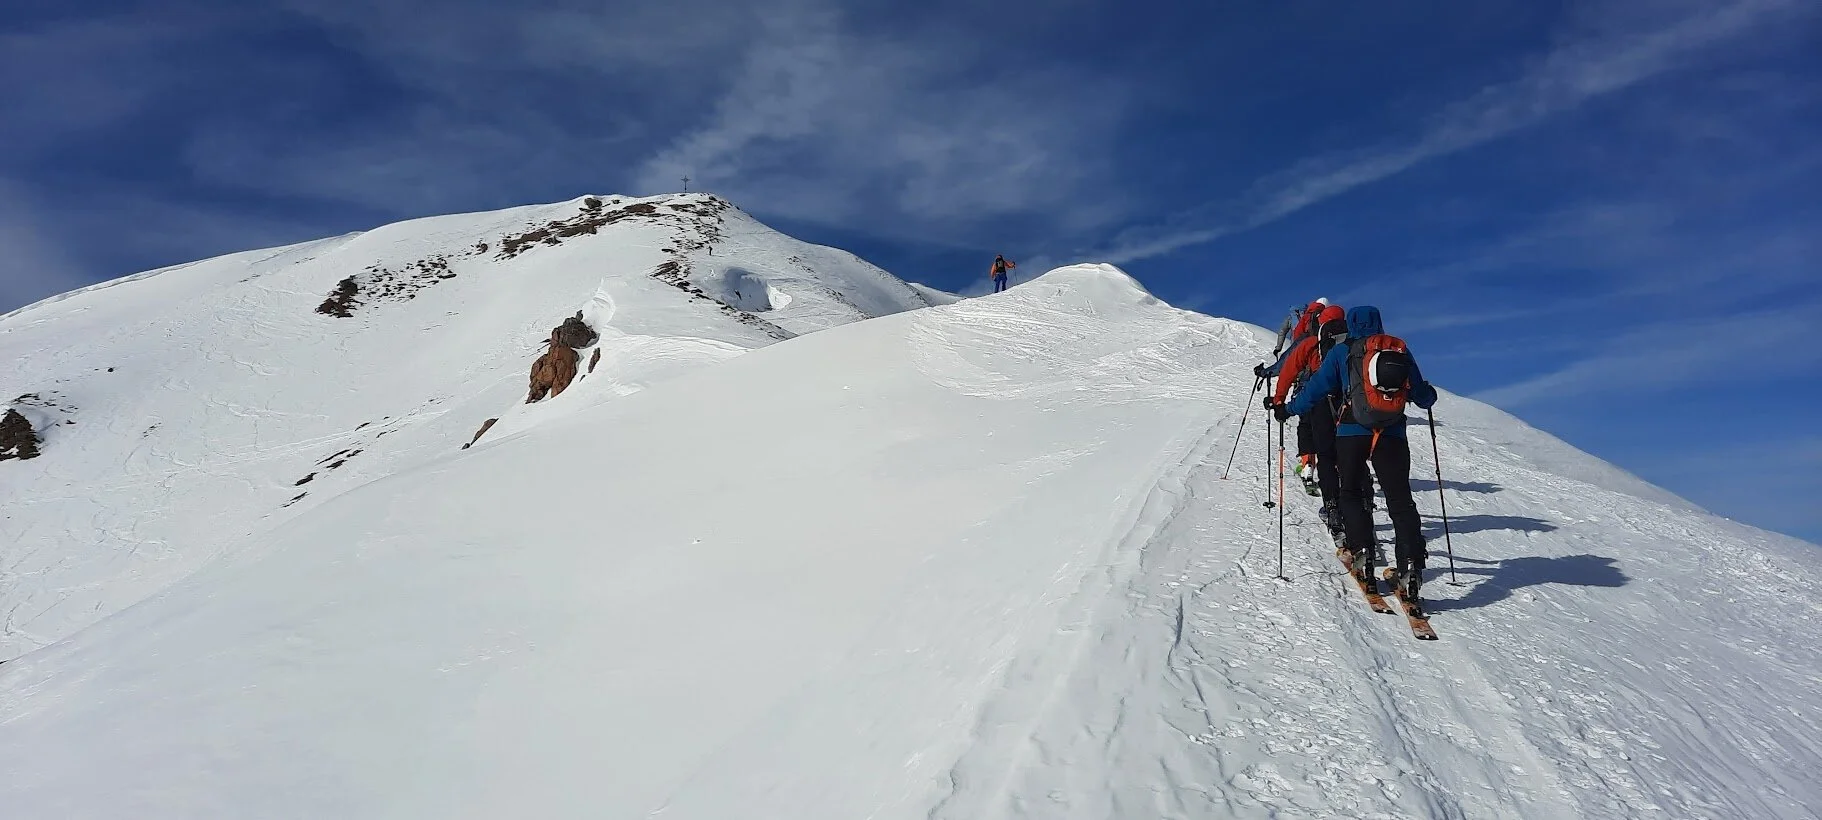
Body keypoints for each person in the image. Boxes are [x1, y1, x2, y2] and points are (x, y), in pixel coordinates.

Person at [1280, 305, 1437, 602]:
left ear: (1351, 324)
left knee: (1350, 491)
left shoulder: (1343, 351)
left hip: (1352, 431)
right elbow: (1421, 394)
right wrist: (1428, 396)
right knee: (1400, 500)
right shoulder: (1398, 348)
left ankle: (1362, 550)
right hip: (1392, 434)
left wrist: (1288, 409)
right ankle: (1411, 566)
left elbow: (1316, 388)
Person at [1260, 305, 1344, 498]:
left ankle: (1308, 465)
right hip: (1345, 399)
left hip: (1311, 392)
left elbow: (1288, 367)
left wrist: (1279, 400)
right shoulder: (1353, 344)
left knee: (1307, 428)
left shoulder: (1310, 341)